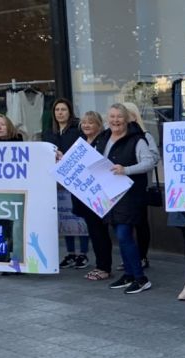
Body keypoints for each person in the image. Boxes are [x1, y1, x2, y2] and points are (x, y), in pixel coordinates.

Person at [95, 103, 155, 294]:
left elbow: (149, 162)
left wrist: (126, 170)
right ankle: (129, 274)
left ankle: (140, 278)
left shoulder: (137, 140)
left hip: (130, 195)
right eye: (111, 116)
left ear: (127, 119)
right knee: (120, 236)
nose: (115, 120)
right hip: (110, 195)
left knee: (123, 235)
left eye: (119, 117)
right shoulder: (104, 137)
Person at [42, 98, 88, 270]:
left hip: (76, 179)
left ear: (70, 112)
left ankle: (83, 253)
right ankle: (70, 253)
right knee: (64, 216)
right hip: (57, 182)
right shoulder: (48, 133)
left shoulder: (77, 130)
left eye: (63, 109)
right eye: (57, 110)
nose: (60, 113)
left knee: (79, 216)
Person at [77, 111, 113, 282]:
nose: (86, 125)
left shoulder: (104, 142)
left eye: (90, 122)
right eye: (84, 122)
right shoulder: (82, 143)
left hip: (101, 194)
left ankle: (104, 267)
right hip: (86, 195)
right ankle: (101, 265)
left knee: (101, 232)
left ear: (99, 125)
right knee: (94, 230)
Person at [122, 102, 158, 271]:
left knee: (141, 223)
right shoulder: (117, 137)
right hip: (122, 189)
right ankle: (130, 257)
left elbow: (154, 159)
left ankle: (142, 256)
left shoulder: (145, 136)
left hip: (140, 186)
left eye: (125, 115)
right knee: (125, 225)